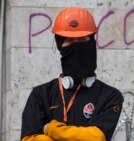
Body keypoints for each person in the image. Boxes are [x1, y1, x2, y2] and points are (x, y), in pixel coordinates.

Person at [21, 7, 124, 141]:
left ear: (92, 42)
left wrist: (51, 130)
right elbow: (28, 139)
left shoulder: (110, 96)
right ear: (59, 46)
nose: (76, 46)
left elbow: (97, 137)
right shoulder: (41, 94)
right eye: (69, 40)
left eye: (82, 40)